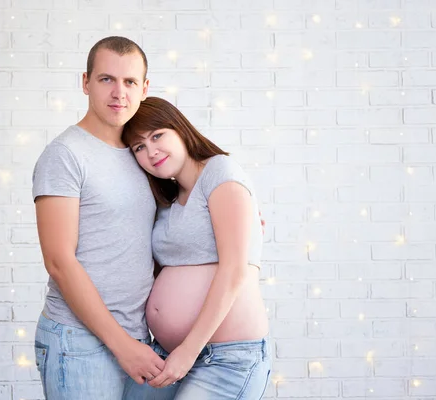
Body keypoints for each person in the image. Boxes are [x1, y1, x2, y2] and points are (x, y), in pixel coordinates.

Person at [31, 36, 166, 399]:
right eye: (107, 79)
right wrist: (123, 346)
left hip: (139, 337)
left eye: (130, 82)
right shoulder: (65, 154)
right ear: (86, 82)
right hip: (80, 342)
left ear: (144, 88)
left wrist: (234, 218)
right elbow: (59, 261)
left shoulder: (144, 154)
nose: (118, 92)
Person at [121, 97, 272, 399]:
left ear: (179, 128)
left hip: (225, 358)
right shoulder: (169, 199)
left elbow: (234, 271)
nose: (151, 151)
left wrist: (189, 351)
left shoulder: (219, 172)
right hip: (167, 352)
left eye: (157, 135)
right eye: (139, 147)